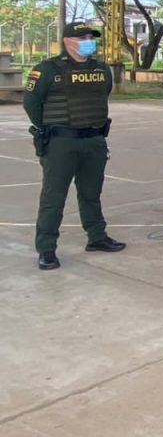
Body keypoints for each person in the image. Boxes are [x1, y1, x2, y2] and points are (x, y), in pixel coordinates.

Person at [24, 22, 124, 271]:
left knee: (92, 193)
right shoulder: (47, 69)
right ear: (68, 41)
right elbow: (31, 104)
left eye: (91, 37)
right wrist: (51, 127)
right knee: (53, 196)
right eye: (83, 37)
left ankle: (97, 237)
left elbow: (104, 95)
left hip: (94, 140)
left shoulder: (102, 69)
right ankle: (47, 249)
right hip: (61, 142)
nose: (89, 40)